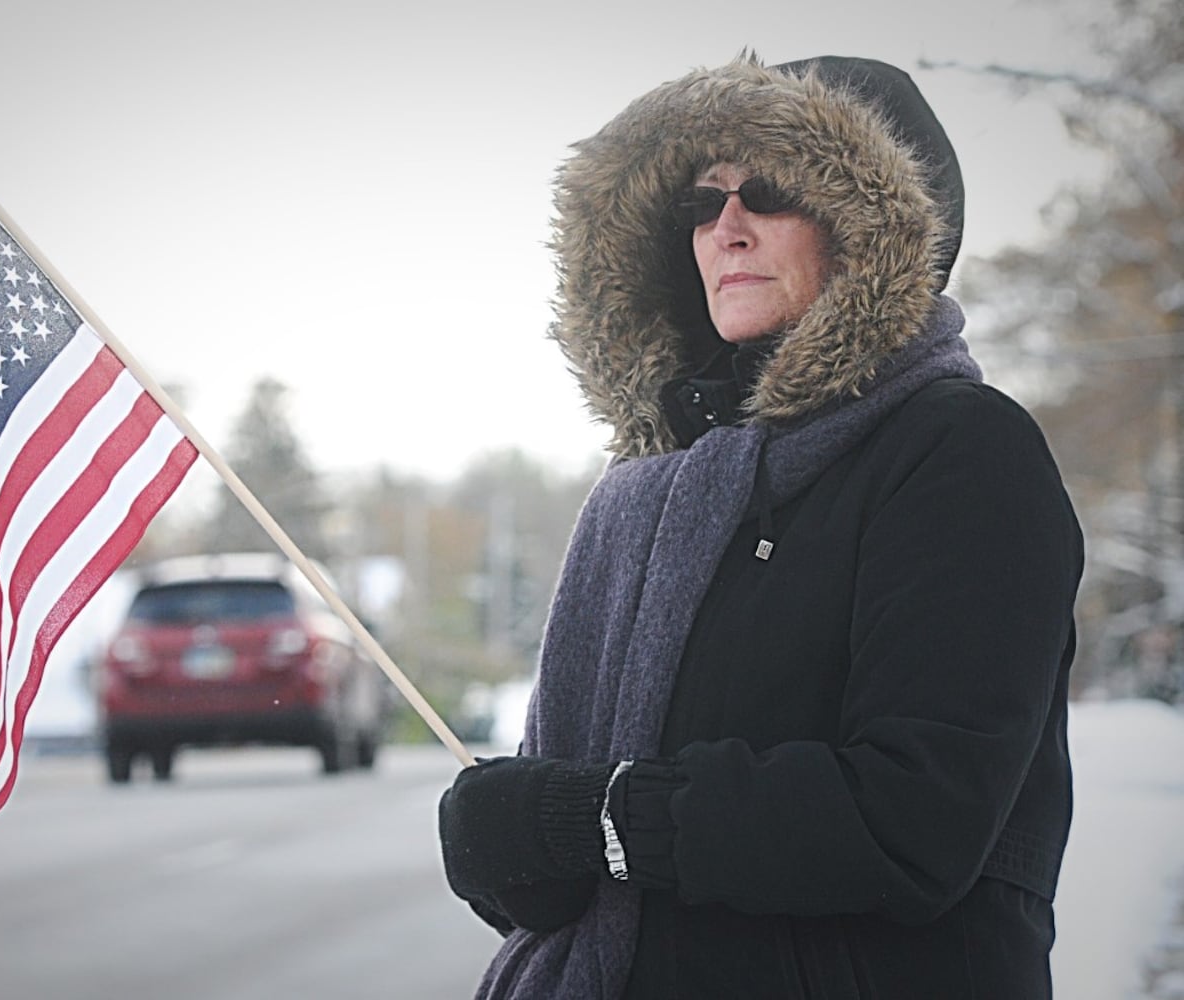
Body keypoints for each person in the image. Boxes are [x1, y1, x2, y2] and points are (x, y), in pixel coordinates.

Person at [437, 53, 1084, 999]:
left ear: (874, 230)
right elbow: (580, 863)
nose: (726, 228)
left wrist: (601, 818)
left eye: (770, 189)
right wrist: (508, 836)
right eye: (702, 203)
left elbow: (913, 823)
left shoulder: (960, 449)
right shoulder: (646, 495)